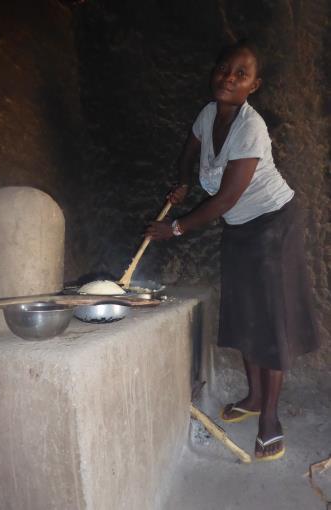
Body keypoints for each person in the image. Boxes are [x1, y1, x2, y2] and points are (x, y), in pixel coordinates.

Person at [146, 39, 320, 462]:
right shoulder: (208, 115)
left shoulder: (251, 127)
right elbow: (189, 153)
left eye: (240, 74)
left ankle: (271, 419)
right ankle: (255, 397)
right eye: (224, 68)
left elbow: (225, 199)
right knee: (245, 310)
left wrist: (176, 227)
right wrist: (184, 181)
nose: (228, 77)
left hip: (275, 224)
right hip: (242, 226)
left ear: (253, 86)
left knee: (270, 317)